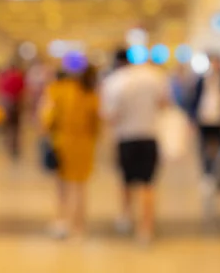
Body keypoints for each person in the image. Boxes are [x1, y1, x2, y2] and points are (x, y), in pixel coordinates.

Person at [101, 49, 170, 245]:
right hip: (149, 136)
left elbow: (110, 116)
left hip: (125, 138)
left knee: (126, 180)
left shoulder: (115, 81)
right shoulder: (156, 77)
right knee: (148, 184)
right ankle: (146, 228)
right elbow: (164, 104)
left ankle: (126, 215)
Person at [41, 66, 100, 239]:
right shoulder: (91, 95)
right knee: (80, 188)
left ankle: (61, 221)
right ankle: (79, 226)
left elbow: (47, 118)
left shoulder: (58, 91)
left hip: (62, 142)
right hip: (85, 145)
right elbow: (96, 124)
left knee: (62, 186)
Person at [189, 54, 220, 214]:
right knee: (205, 148)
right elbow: (194, 100)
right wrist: (193, 119)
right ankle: (207, 174)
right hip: (205, 120)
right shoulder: (202, 81)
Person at [0, 63, 26, 161]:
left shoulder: (6, 77)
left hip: (8, 103)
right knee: (16, 127)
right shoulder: (19, 77)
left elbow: (2, 91)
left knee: (8, 125)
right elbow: (23, 91)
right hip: (17, 103)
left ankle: (8, 142)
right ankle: (14, 144)